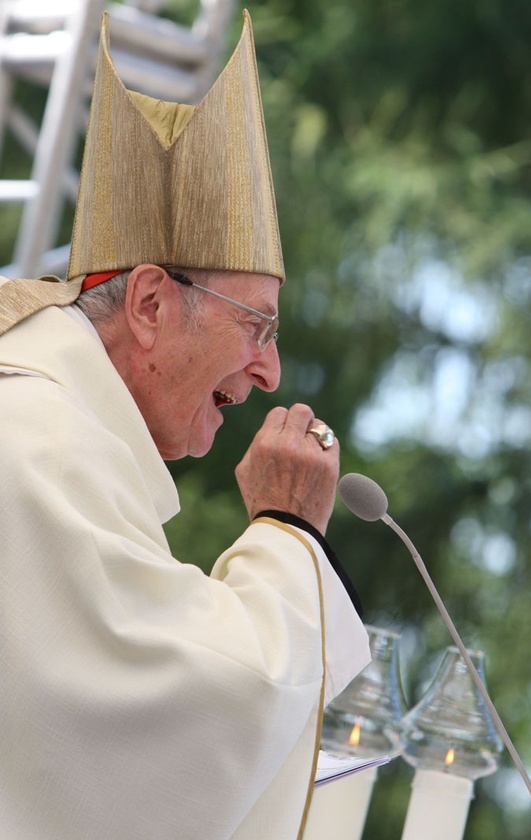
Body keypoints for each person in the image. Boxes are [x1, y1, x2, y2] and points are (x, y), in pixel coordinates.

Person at [0, 10, 370, 840]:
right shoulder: (34, 442)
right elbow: (201, 710)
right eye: (257, 326)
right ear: (152, 303)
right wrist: (285, 536)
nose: (270, 372)